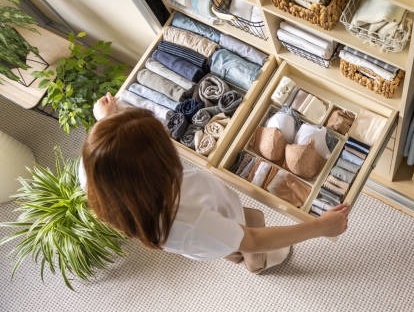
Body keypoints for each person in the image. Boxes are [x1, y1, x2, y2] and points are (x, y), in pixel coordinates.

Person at [80, 93, 350, 273]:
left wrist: (107, 121)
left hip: (201, 231)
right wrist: (319, 227)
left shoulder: (96, 172)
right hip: (204, 232)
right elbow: (253, 238)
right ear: (156, 169)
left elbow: (112, 152)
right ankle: (256, 266)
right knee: (249, 230)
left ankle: (238, 254)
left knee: (245, 222)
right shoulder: (187, 221)